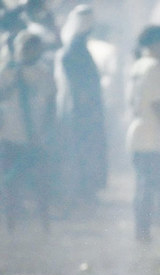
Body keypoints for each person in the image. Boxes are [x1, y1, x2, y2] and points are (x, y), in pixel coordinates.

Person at [0, 30, 55, 232]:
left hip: (36, 138)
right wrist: (13, 81)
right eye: (26, 47)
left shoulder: (44, 72)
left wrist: (47, 133)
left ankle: (45, 226)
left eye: (35, 48)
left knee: (41, 185)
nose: (30, 52)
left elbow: (51, 103)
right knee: (10, 185)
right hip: (11, 136)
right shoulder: (7, 71)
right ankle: (11, 227)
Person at [54, 4, 107, 212]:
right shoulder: (74, 48)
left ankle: (85, 191)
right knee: (81, 151)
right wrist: (82, 97)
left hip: (85, 110)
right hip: (80, 112)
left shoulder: (79, 46)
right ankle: (80, 192)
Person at [126, 25, 160, 242]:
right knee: (156, 186)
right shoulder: (156, 67)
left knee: (142, 185)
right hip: (154, 133)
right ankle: (149, 232)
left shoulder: (137, 65)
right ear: (158, 42)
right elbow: (157, 105)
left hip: (137, 132)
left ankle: (141, 231)